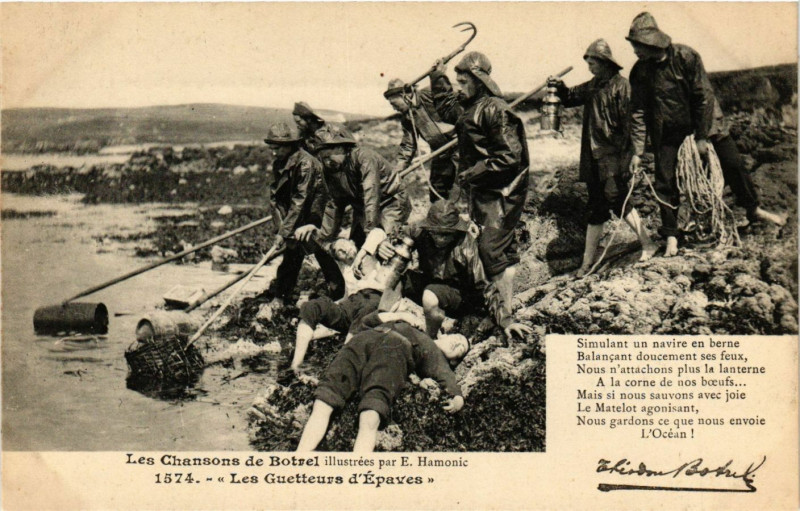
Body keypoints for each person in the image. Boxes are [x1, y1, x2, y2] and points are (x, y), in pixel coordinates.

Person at [626, 12, 786, 257]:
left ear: (651, 42)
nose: (634, 50)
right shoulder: (639, 71)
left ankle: (753, 209)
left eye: (637, 45)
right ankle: (671, 235)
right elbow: (637, 111)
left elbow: (703, 97)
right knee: (664, 182)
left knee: (733, 163)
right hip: (667, 132)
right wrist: (638, 150)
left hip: (706, 124)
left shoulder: (686, 57)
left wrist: (701, 137)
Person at [429, 51, 529, 323]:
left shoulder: (496, 109)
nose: (459, 86)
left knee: (489, 248)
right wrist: (438, 77)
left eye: (463, 81)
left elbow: (510, 157)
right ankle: (504, 306)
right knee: (497, 251)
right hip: (484, 187)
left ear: (479, 80)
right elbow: (447, 110)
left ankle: (504, 316)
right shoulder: (469, 106)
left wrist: (473, 172)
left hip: (503, 190)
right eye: (457, 81)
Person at [548, 39, 658, 276]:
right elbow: (569, 98)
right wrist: (559, 86)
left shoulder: (622, 87)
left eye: (593, 62)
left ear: (605, 62)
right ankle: (587, 262)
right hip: (592, 155)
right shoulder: (592, 86)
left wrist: (629, 157)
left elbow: (633, 125)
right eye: (587, 61)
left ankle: (648, 244)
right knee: (596, 206)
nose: (589, 66)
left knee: (616, 199)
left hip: (613, 154)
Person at [295, 311, 467, 452]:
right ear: (443, 335)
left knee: (371, 412)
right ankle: (299, 460)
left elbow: (448, 379)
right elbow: (367, 321)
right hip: (363, 340)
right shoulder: (415, 327)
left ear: (454, 361)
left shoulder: (435, 353)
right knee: (324, 400)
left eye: (461, 349)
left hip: (394, 350)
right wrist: (398, 314)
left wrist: (458, 398)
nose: (458, 342)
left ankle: (357, 477)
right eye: (458, 337)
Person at [363, 200, 533, 340]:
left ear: (456, 231)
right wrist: (382, 245)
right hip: (430, 281)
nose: (440, 239)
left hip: (459, 295)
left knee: (430, 295)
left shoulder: (466, 247)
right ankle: (381, 321)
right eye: (436, 233)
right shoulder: (419, 231)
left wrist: (507, 321)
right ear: (429, 228)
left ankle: (430, 340)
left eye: (447, 234)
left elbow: (485, 286)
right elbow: (396, 234)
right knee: (397, 275)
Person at [263, 122, 345, 310]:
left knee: (321, 252)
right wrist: (281, 229)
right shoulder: (280, 163)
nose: (274, 152)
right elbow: (277, 199)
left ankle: (339, 292)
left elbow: (301, 198)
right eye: (272, 148)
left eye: (277, 148)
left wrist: (284, 232)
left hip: (317, 213)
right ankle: (281, 297)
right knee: (291, 255)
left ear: (289, 145)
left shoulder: (306, 163)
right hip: (297, 215)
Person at [312, 123, 411, 249]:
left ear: (342, 148)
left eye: (329, 156)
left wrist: (371, 232)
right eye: (323, 158)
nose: (327, 162)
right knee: (357, 244)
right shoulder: (331, 169)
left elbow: (372, 194)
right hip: (363, 208)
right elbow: (335, 202)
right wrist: (325, 236)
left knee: (384, 245)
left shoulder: (364, 158)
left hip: (391, 203)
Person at [383, 78, 457, 202]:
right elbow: (408, 145)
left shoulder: (429, 94)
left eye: (394, 104)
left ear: (404, 95)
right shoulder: (407, 118)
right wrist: (398, 171)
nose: (394, 109)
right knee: (437, 189)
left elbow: (457, 95)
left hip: (461, 144)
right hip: (441, 152)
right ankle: (441, 219)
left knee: (472, 181)